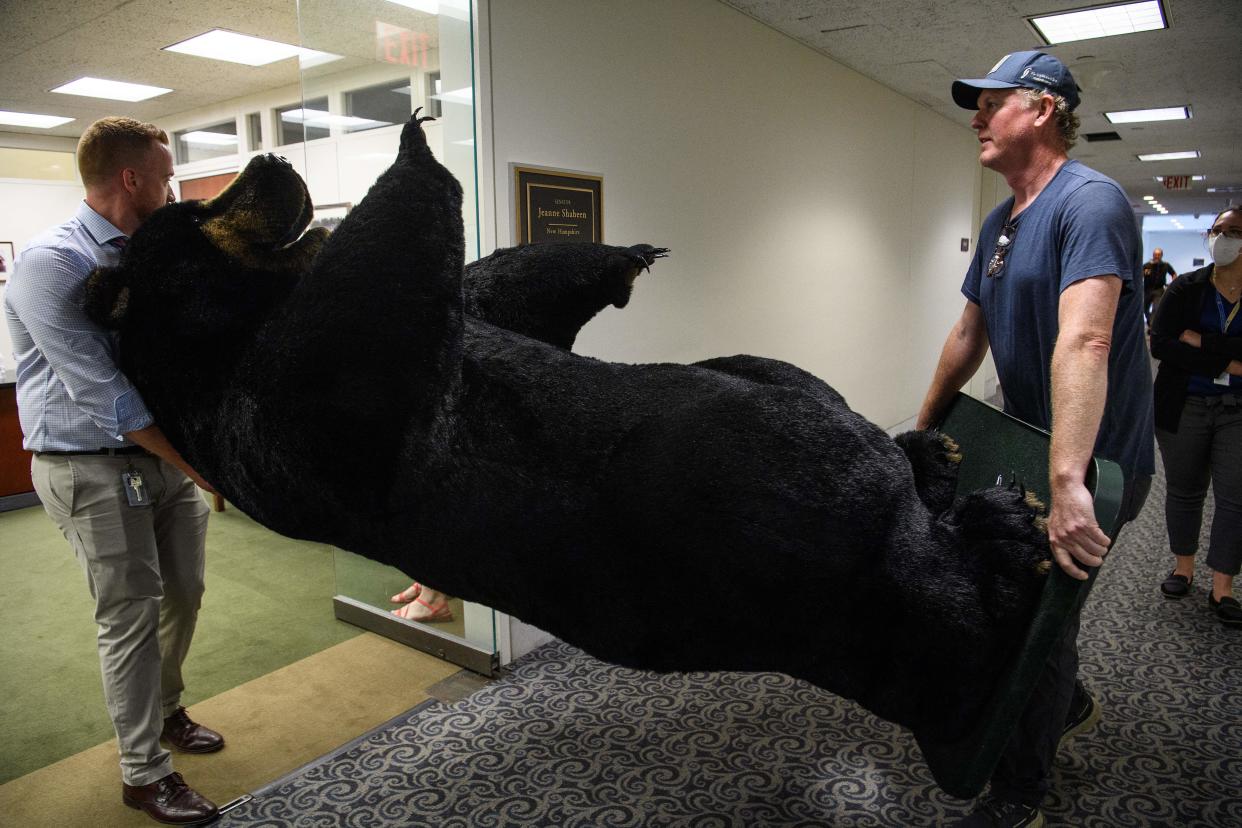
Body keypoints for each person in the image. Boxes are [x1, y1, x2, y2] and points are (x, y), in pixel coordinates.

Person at [916, 51, 1154, 828]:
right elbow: (967, 332)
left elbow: (1084, 343)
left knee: (1036, 620)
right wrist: (922, 431)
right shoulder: (999, 220)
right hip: (1030, 446)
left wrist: (1066, 483)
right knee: (1032, 609)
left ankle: (1020, 795)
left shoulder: (1093, 203)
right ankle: (1069, 701)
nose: (977, 117)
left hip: (1096, 464)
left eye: (991, 102)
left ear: (1044, 108)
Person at [4, 117, 223, 826]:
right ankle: (143, 773)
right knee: (128, 612)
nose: (173, 186)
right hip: (90, 467)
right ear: (131, 178)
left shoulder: (152, 253)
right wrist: (201, 464)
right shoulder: (53, 262)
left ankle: (165, 712)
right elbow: (103, 391)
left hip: (158, 461)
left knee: (183, 591)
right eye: (165, 175)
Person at [1150, 206, 1242, 628]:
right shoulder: (1187, 288)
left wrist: (1203, 342)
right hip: (1184, 403)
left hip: (1237, 412)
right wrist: (1228, 361)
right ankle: (1183, 568)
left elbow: (1184, 343)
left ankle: (1222, 586)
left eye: (1233, 231)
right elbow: (1162, 344)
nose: (1222, 238)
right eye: (1217, 230)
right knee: (1185, 490)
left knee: (1235, 497)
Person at [1143, 247, 1177, 323]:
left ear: (1161, 255)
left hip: (1159, 290)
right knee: (1144, 309)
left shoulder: (1165, 265)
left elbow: (1173, 273)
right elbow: (1141, 275)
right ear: (1153, 255)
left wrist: (1172, 284)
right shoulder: (1147, 265)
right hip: (1147, 290)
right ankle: (1149, 321)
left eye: (1158, 254)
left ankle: (1152, 326)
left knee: (1156, 308)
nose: (1157, 256)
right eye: (1155, 254)